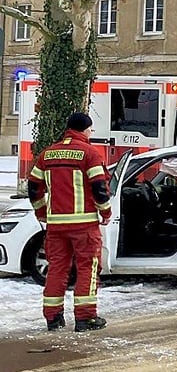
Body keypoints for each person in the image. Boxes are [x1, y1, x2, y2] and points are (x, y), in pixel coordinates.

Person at [29, 112, 112, 332]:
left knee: (56, 268)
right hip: (84, 225)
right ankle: (85, 318)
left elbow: (33, 187)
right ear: (85, 130)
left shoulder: (47, 154)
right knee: (88, 268)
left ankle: (53, 317)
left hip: (56, 226)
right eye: (91, 130)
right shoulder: (90, 153)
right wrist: (105, 212)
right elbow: (99, 189)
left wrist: (42, 212)